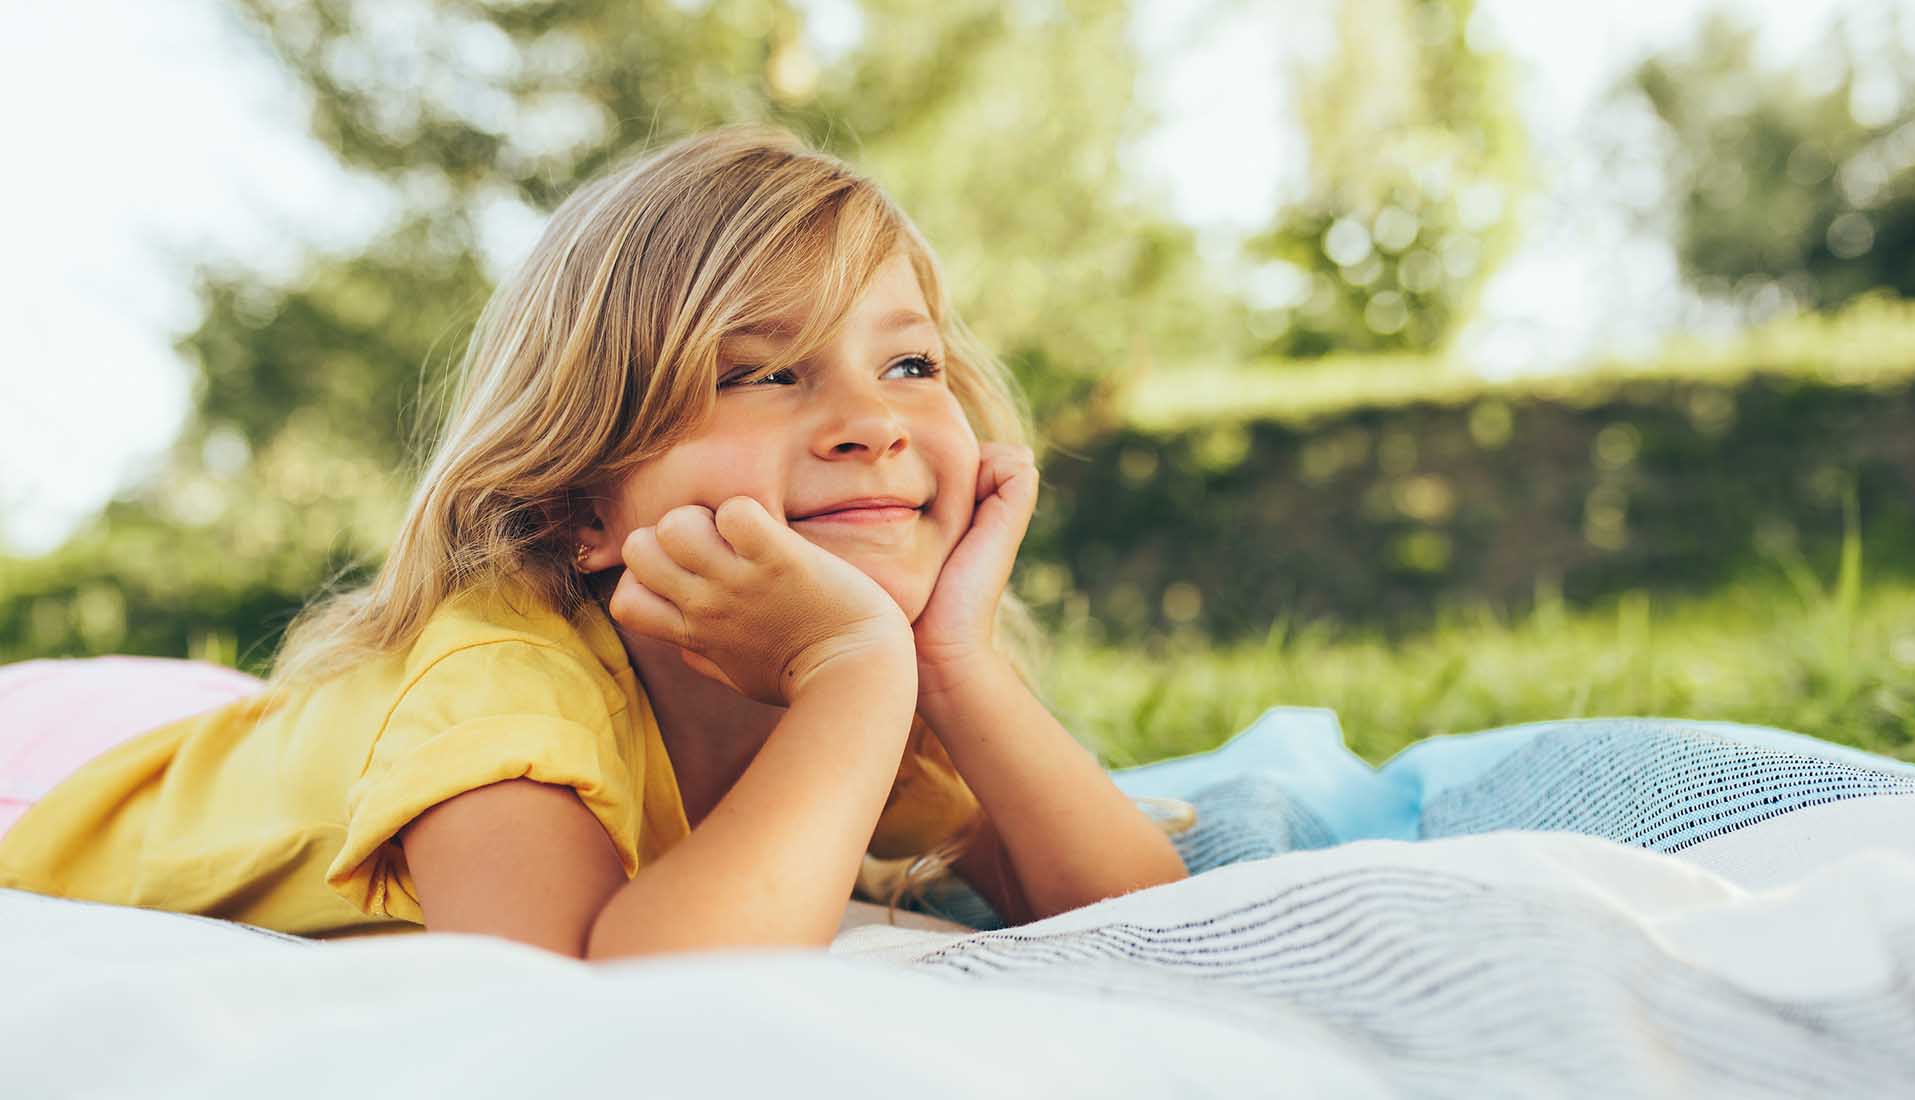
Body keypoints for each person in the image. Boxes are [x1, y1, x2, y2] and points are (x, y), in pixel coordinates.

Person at [0, 124, 1190, 960]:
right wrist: (856, 677)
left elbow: (1146, 920)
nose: (874, 422)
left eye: (911, 362)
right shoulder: (506, 685)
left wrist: (949, 661)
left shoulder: (876, 675)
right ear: (578, 507)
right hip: (51, 794)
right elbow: (595, 1002)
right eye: (762, 372)